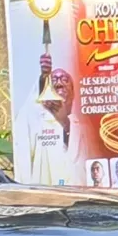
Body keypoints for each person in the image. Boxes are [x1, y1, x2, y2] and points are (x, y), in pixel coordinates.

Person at [26, 50, 76, 186]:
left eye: (64, 80)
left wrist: (64, 123)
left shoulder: (83, 126)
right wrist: (44, 77)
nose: (59, 84)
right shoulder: (38, 121)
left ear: (73, 91)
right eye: (54, 80)